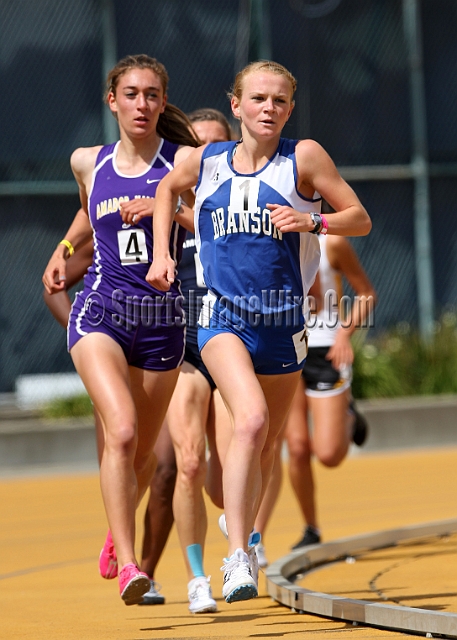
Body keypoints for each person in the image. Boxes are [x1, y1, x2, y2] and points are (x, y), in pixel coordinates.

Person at [147, 59, 372, 604]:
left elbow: (358, 218)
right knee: (249, 420)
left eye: (279, 101)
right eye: (258, 99)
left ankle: (239, 522)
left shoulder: (305, 158)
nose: (268, 108)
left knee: (267, 441)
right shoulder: (205, 161)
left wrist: (312, 221)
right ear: (236, 105)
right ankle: (239, 556)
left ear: (290, 108)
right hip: (223, 320)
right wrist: (161, 254)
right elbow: (165, 191)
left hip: (284, 323)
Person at [42, 54, 198, 606]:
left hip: (160, 321)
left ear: (162, 102)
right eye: (131, 94)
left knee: (143, 461)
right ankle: (132, 567)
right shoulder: (88, 160)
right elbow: (88, 211)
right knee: (124, 431)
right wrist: (64, 249)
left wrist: (163, 207)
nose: (142, 104)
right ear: (112, 101)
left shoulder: (186, 162)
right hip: (101, 311)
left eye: (152, 95)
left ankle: (117, 526)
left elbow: (211, 223)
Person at [138, 107, 233, 613]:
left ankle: (240, 530)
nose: (206, 157)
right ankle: (197, 578)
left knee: (224, 485)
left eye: (217, 147)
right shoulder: (165, 200)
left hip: (237, 341)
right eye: (197, 148)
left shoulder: (238, 203)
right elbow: (113, 219)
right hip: (188, 346)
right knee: (187, 461)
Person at [252, 231, 377, 567]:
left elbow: (366, 294)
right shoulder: (270, 238)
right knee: (294, 446)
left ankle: (347, 414)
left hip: (325, 349)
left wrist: (345, 335)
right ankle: (310, 527)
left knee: (329, 454)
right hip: (288, 346)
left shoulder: (332, 243)